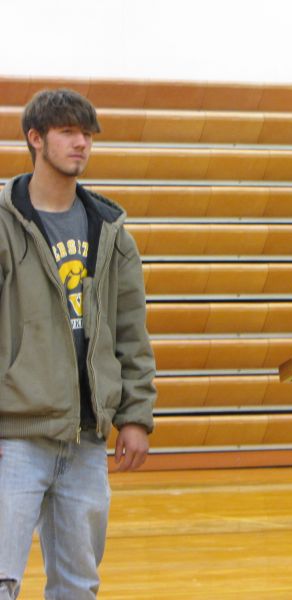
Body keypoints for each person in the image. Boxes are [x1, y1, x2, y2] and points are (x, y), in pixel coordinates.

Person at [0, 89, 156, 599]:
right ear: (35, 138)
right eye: (68, 132)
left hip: (86, 437)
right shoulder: (4, 223)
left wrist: (135, 415)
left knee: (78, 587)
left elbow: (131, 330)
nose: (81, 143)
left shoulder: (110, 231)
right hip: (13, 437)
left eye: (87, 134)